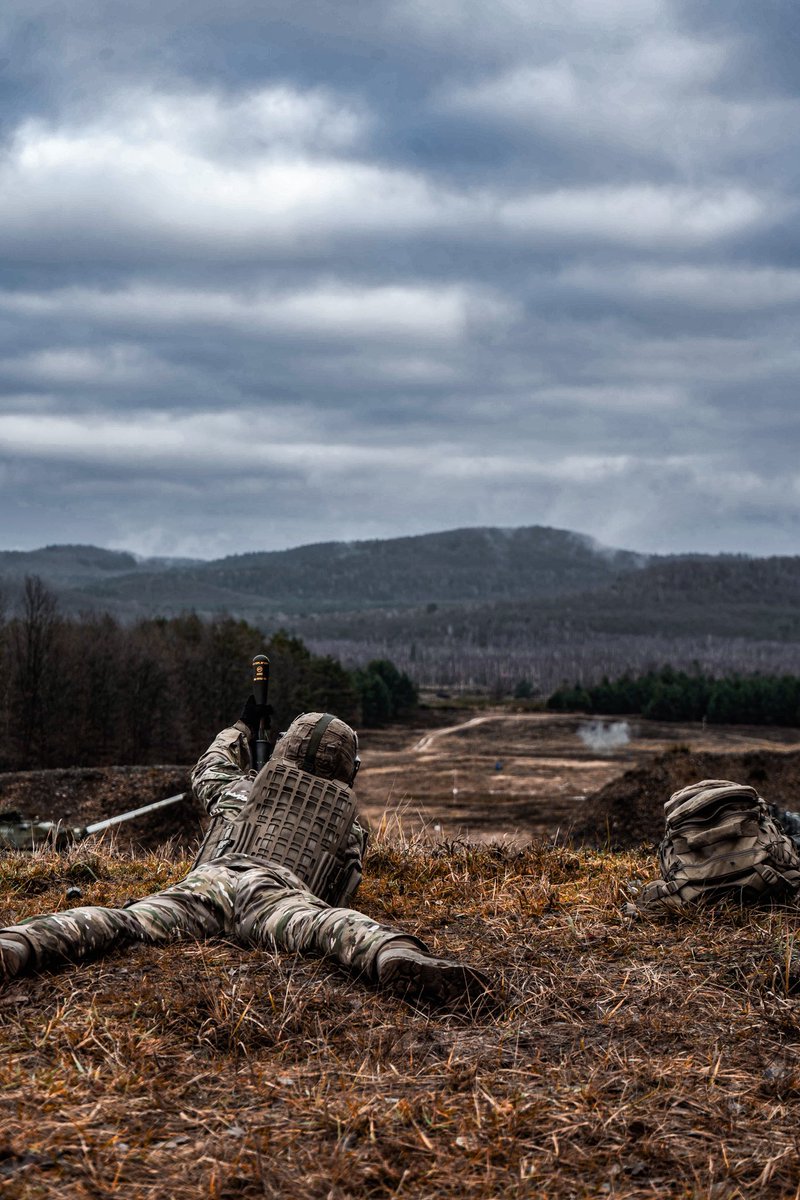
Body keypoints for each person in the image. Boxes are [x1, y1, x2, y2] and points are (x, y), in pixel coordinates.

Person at [0, 709, 492, 1011]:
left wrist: (241, 728)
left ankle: (20, 943)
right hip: (277, 895)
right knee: (332, 928)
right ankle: (394, 955)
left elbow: (207, 769)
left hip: (208, 885)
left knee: (123, 922)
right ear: (349, 769)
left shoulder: (240, 788)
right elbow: (341, 889)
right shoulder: (350, 825)